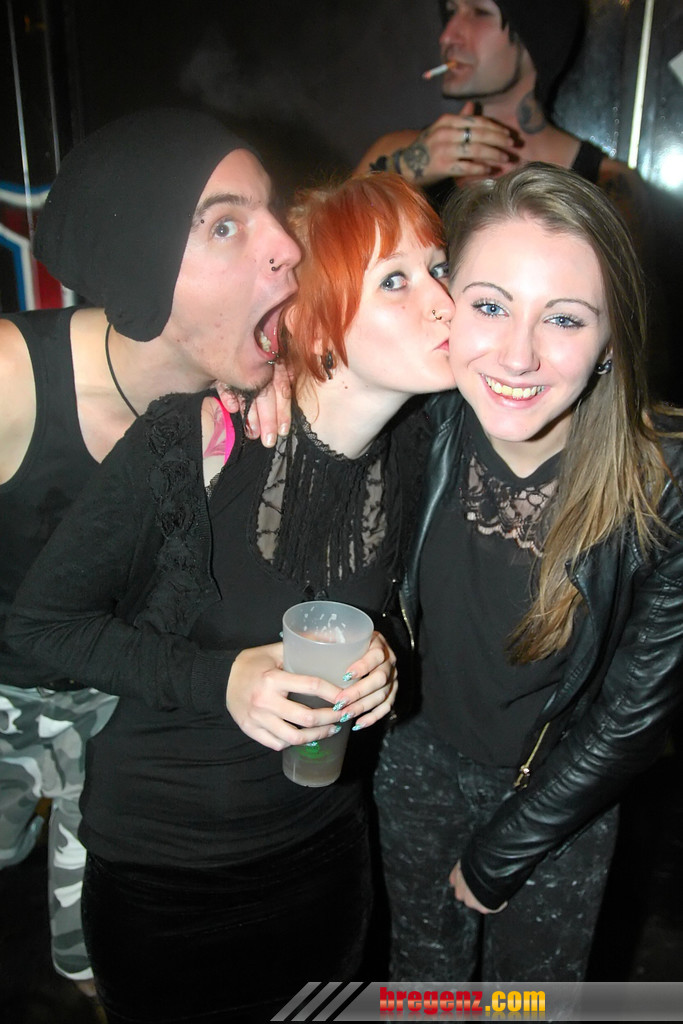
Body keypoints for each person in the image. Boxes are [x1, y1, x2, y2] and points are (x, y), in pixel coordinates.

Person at [6, 171, 455, 1022]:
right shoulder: (191, 438)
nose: (443, 302)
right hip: (167, 876)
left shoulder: (416, 446)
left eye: (438, 269)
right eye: (394, 280)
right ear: (313, 321)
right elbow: (43, 627)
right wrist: (225, 679)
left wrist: (386, 657)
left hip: (325, 854)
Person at [0, 106, 300, 995]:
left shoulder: (238, 392)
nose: (285, 245)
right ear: (139, 262)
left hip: (127, 711)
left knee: (107, 966)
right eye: (224, 225)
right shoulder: (13, 380)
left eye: (270, 211)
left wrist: (280, 369)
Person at [374, 163, 683, 981]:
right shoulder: (412, 421)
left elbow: (631, 715)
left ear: (610, 339)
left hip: (560, 794)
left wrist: (505, 847)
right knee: (421, 989)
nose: (517, 356)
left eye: (564, 319)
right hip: (414, 763)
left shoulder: (663, 483)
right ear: (446, 305)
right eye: (488, 306)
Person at [356, 0, 644, 236]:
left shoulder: (607, 185)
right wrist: (407, 173)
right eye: (451, 11)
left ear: (535, 37)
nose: (447, 36)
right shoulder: (397, 156)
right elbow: (334, 262)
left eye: (479, 12)